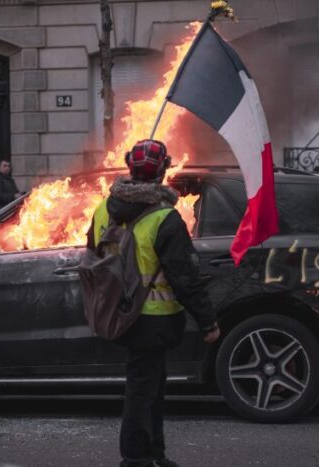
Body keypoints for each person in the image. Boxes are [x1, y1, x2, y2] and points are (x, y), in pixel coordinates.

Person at [87, 139, 220, 467]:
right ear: (163, 172)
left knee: (151, 386)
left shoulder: (105, 207)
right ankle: (134, 459)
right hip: (154, 318)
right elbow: (184, 277)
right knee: (143, 391)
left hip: (119, 311)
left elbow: (93, 252)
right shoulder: (165, 219)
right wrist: (208, 322)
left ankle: (154, 454)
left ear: (129, 166)